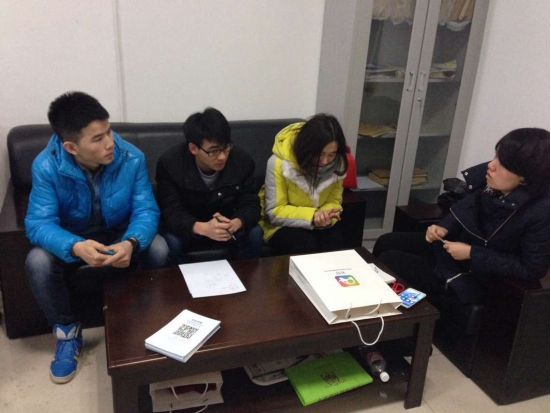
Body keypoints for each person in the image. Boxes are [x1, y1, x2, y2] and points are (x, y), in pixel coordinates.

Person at [25, 91, 169, 384]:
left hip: (119, 232)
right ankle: (67, 335)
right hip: (73, 237)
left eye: (109, 131)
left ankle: (142, 318)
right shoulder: (46, 166)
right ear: (71, 147)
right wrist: (75, 246)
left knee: (159, 247)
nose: (110, 143)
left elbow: (146, 210)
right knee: (37, 261)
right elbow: (39, 223)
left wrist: (131, 242)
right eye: (98, 138)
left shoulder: (131, 157)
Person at [373, 128, 550, 305]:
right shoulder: (493, 186)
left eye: (503, 163)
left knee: (391, 260)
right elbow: (465, 208)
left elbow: (531, 269)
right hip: (453, 251)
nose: (491, 165)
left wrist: (472, 253)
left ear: (525, 177)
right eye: (496, 156)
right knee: (386, 242)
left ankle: (393, 311)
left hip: (474, 274)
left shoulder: (541, 212)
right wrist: (443, 227)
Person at [156, 107, 263, 263]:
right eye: (213, 151)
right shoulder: (170, 164)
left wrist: (235, 223)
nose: (222, 157)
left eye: (226, 147)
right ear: (193, 148)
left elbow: (251, 204)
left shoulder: (242, 161)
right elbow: (171, 212)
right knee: (172, 241)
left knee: (254, 233)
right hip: (190, 227)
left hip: (227, 226)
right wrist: (203, 228)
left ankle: (246, 277)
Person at [258, 114, 349, 254]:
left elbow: (334, 201)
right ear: (307, 147)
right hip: (281, 224)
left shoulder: (338, 164)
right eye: (320, 154)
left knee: (335, 242)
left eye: (331, 154)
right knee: (303, 244)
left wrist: (325, 216)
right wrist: (312, 216)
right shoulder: (278, 163)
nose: (325, 161)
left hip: (318, 221)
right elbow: (275, 211)